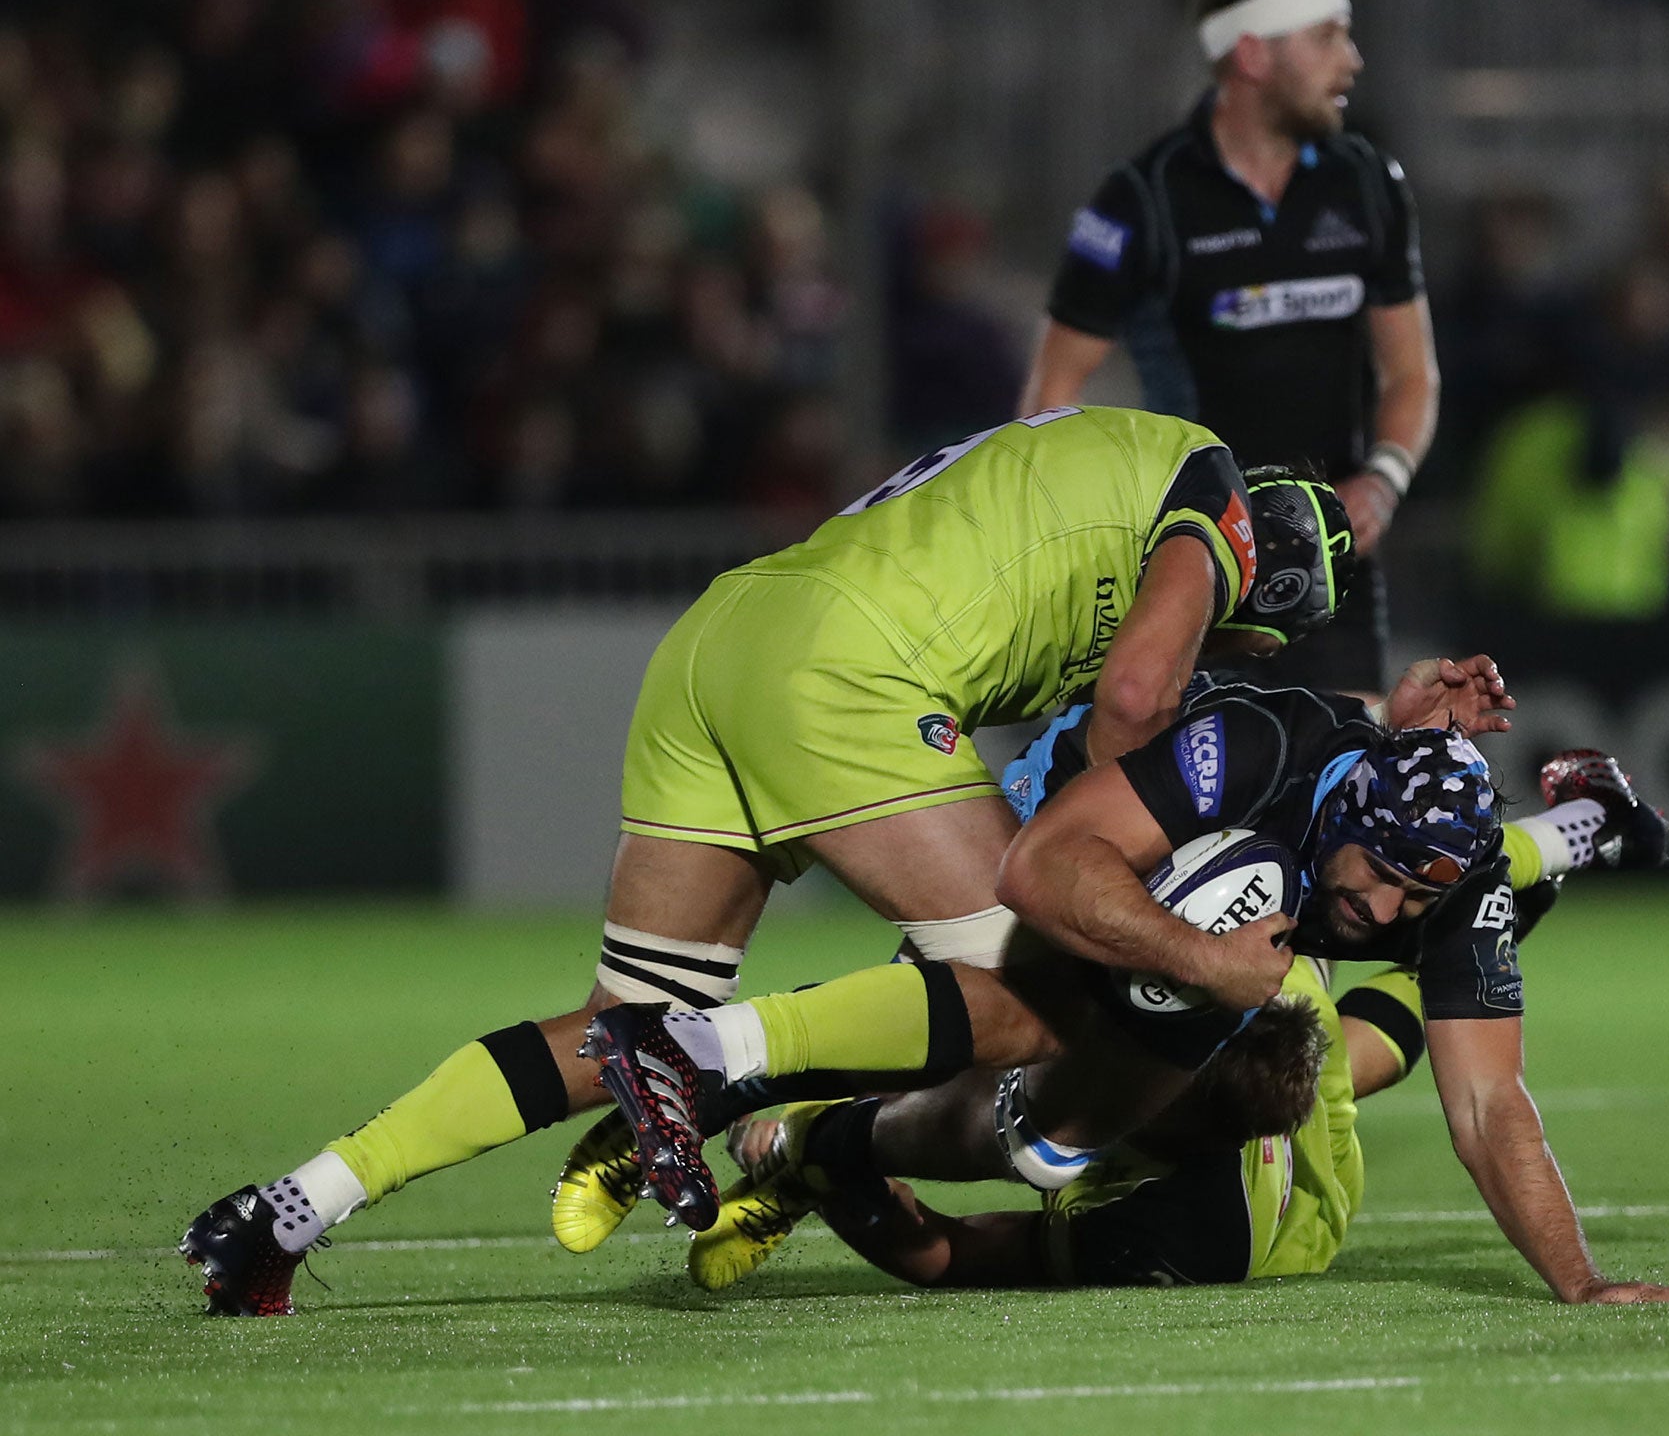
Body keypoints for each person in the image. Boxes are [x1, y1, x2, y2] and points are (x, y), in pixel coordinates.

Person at [180, 405, 1362, 1316]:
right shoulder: (1215, 507)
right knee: (1032, 997)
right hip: (848, 670)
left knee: (616, 1019)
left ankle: (287, 1209)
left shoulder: (1108, 459)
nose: (1223, 642)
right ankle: (719, 1066)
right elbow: (1136, 702)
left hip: (726, 638)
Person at [683, 752, 1669, 1305]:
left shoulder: (1184, 1233)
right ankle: (1591, 824)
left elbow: (954, 1256)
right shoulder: (1273, 957)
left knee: (976, 1114)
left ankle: (810, 1136)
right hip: (1295, 1070)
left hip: (1271, 1215)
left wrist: (839, 1180)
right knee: (1395, 1004)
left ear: (1159, 1126)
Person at [1017, 0, 1441, 693]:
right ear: (1253, 52)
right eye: (1328, 37)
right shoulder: (1141, 200)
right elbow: (1052, 390)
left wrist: (1384, 480)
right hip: (1195, 566)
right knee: (1193, 800)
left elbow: (1412, 372)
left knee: (1343, 792)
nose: (1353, 60)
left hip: (1330, 565)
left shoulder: (1368, 183)